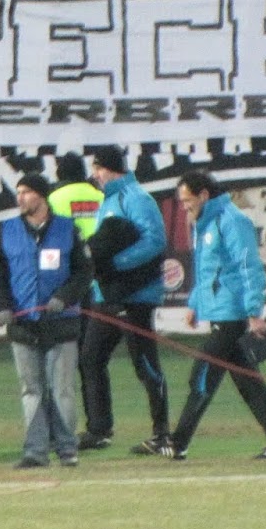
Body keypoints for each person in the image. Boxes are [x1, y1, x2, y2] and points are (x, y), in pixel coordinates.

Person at [157, 172, 266, 461]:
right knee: (248, 381)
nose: (185, 207)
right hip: (219, 310)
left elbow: (249, 267)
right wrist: (196, 304)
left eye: (188, 200)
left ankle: (179, 442)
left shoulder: (232, 221)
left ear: (204, 195)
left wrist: (254, 312)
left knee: (202, 377)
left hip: (231, 314)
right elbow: (205, 269)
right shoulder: (205, 223)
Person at [0, 173, 93, 469]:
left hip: (61, 324)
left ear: (42, 196)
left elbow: (84, 272)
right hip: (23, 326)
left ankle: (67, 449)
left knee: (62, 390)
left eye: (26, 192)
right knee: (31, 390)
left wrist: (64, 298)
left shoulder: (68, 229)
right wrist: (1, 308)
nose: (20, 198)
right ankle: (35, 451)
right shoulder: (7, 230)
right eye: (18, 192)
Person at [76, 147, 169, 455]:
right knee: (90, 357)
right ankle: (99, 430)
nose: (94, 175)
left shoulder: (137, 198)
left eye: (98, 169)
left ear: (112, 169)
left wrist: (117, 265)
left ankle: (162, 434)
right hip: (108, 295)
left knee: (145, 364)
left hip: (136, 296)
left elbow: (155, 240)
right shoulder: (108, 200)